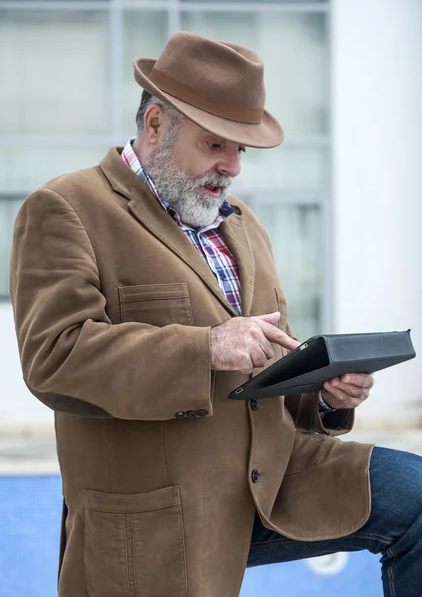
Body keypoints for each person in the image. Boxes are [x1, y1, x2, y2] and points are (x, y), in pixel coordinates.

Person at [9, 31, 422, 597]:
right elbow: (54, 357)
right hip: (165, 509)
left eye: (241, 150)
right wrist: (205, 346)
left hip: (277, 479)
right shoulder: (67, 208)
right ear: (155, 125)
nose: (232, 167)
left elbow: (269, 360)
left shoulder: (242, 224)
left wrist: (324, 393)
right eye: (215, 145)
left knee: (418, 497)